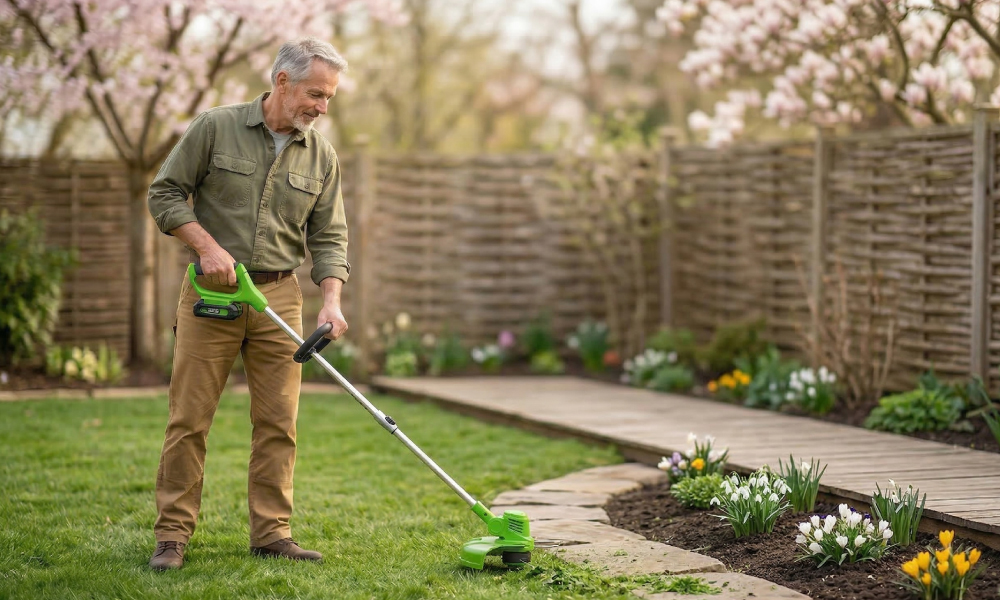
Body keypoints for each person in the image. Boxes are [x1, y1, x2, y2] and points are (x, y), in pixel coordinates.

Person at [146, 38, 351, 571]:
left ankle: (272, 533)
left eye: (329, 98)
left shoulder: (322, 153)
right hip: (214, 290)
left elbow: (329, 237)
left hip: (279, 296)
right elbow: (164, 193)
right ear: (281, 82)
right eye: (315, 94)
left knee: (279, 422)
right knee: (189, 419)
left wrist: (330, 301)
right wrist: (207, 246)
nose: (322, 108)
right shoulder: (215, 127)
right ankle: (171, 536)